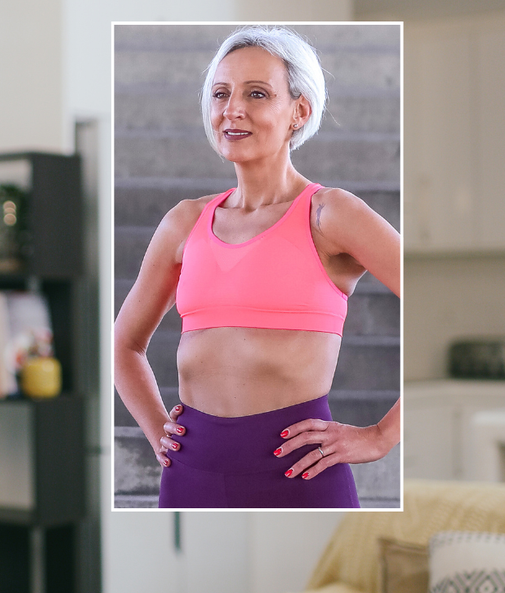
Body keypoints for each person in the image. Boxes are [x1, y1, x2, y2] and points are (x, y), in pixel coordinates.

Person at [113, 26, 401, 508]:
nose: (233, 109)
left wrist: (379, 436)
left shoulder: (330, 214)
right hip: (190, 471)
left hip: (299, 472)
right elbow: (125, 343)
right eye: (221, 93)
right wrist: (157, 429)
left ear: (299, 110)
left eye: (257, 93)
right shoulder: (185, 222)